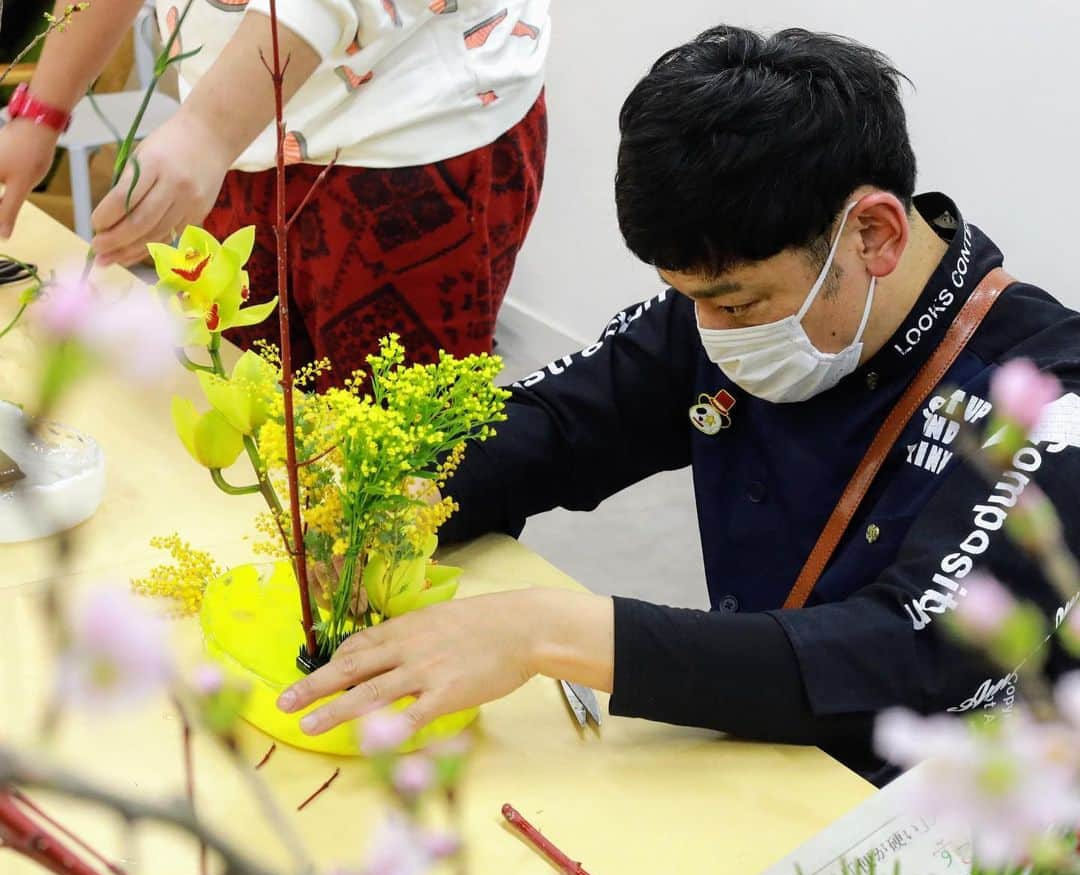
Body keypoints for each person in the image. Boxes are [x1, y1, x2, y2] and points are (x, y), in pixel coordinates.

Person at [251, 27, 1079, 778]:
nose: (711, 330)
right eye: (687, 298)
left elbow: (908, 647)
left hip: (944, 826)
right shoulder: (724, 308)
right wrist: (398, 494)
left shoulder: (1046, 397)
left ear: (874, 234)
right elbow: (561, 421)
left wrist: (548, 631)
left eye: (738, 302)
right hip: (756, 757)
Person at [0, 0, 549, 386]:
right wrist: (41, 112)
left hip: (407, 136)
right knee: (238, 413)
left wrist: (210, 129)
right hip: (239, 131)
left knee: (382, 477)